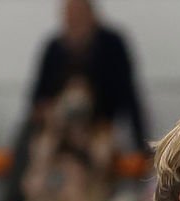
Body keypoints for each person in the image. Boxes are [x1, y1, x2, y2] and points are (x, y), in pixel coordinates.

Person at [27, 0, 148, 148]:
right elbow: (38, 100)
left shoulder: (112, 45)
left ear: (92, 16)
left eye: (79, 15)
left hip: (99, 128)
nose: (75, 21)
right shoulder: (54, 48)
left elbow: (128, 95)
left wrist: (141, 142)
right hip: (58, 128)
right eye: (71, 16)